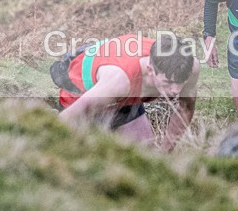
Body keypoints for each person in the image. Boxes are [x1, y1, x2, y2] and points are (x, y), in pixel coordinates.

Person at [51, 33, 200, 151]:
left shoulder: (189, 67)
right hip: (80, 92)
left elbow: (185, 108)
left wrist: (165, 153)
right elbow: (64, 119)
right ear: (150, 70)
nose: (175, 90)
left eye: (180, 83)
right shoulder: (118, 81)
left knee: (146, 156)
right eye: (168, 83)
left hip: (125, 93)